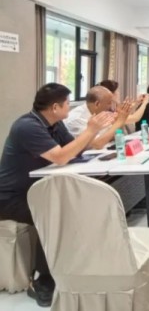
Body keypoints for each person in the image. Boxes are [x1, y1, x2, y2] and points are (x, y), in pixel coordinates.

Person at [0, 83, 113, 307]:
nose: (70, 107)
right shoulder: (27, 126)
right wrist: (90, 130)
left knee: (80, 206)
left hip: (37, 190)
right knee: (54, 216)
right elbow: (60, 157)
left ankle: (75, 265)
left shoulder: (55, 124)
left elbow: (75, 148)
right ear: (55, 107)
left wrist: (93, 133)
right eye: (67, 103)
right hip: (10, 198)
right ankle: (42, 280)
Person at [65, 86, 133, 148]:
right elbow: (97, 145)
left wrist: (118, 121)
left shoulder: (100, 112)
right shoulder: (77, 118)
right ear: (97, 104)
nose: (111, 106)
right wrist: (120, 121)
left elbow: (114, 136)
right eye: (109, 103)